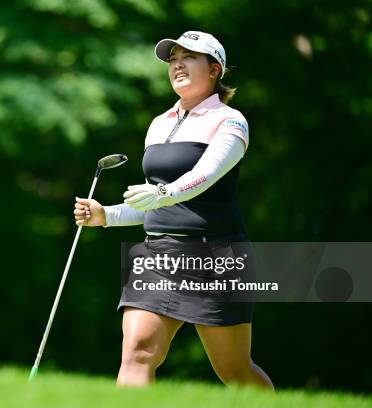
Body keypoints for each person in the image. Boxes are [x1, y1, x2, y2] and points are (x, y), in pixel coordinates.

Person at [73, 31, 274, 389]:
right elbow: (152, 203)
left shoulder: (230, 120)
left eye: (188, 57)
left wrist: (162, 193)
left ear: (214, 69)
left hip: (214, 255)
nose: (177, 64)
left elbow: (206, 175)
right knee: (137, 352)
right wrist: (108, 215)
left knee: (235, 371)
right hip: (159, 253)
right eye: (172, 59)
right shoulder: (159, 124)